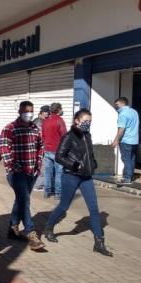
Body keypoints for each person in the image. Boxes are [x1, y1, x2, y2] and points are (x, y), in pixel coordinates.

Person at [43, 109, 113, 256]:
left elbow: (89, 154)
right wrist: (75, 165)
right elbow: (59, 156)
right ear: (77, 120)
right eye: (86, 121)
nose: (88, 124)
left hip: (86, 177)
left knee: (94, 210)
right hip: (71, 176)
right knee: (64, 206)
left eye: (90, 121)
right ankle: (48, 228)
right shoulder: (69, 136)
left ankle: (99, 243)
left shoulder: (88, 135)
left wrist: (93, 163)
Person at [0, 100, 45, 251]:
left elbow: (40, 147)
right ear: (19, 112)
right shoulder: (10, 128)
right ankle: (30, 232)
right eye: (26, 111)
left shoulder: (35, 129)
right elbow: (4, 149)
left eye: (31, 111)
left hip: (32, 172)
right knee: (24, 200)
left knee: (20, 200)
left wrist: (38, 165)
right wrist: (13, 167)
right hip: (17, 173)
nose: (29, 114)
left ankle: (12, 228)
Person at [112, 97, 139, 184]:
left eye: (117, 104)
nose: (116, 106)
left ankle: (127, 178)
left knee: (126, 159)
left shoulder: (123, 114)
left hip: (126, 140)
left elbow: (121, 129)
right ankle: (130, 176)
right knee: (131, 158)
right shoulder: (134, 112)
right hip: (135, 140)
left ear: (122, 103)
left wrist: (116, 140)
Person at [42, 103, 67, 198]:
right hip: (57, 151)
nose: (62, 111)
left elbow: (43, 136)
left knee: (48, 172)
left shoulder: (46, 121)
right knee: (59, 173)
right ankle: (58, 193)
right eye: (61, 109)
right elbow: (65, 136)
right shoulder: (60, 120)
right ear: (59, 110)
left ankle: (47, 192)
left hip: (47, 150)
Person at [32, 105, 50, 192]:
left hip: (35, 148)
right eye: (46, 112)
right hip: (40, 148)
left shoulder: (37, 121)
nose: (47, 114)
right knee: (43, 166)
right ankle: (38, 185)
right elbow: (41, 136)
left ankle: (35, 183)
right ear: (41, 113)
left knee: (38, 166)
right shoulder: (40, 122)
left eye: (48, 112)